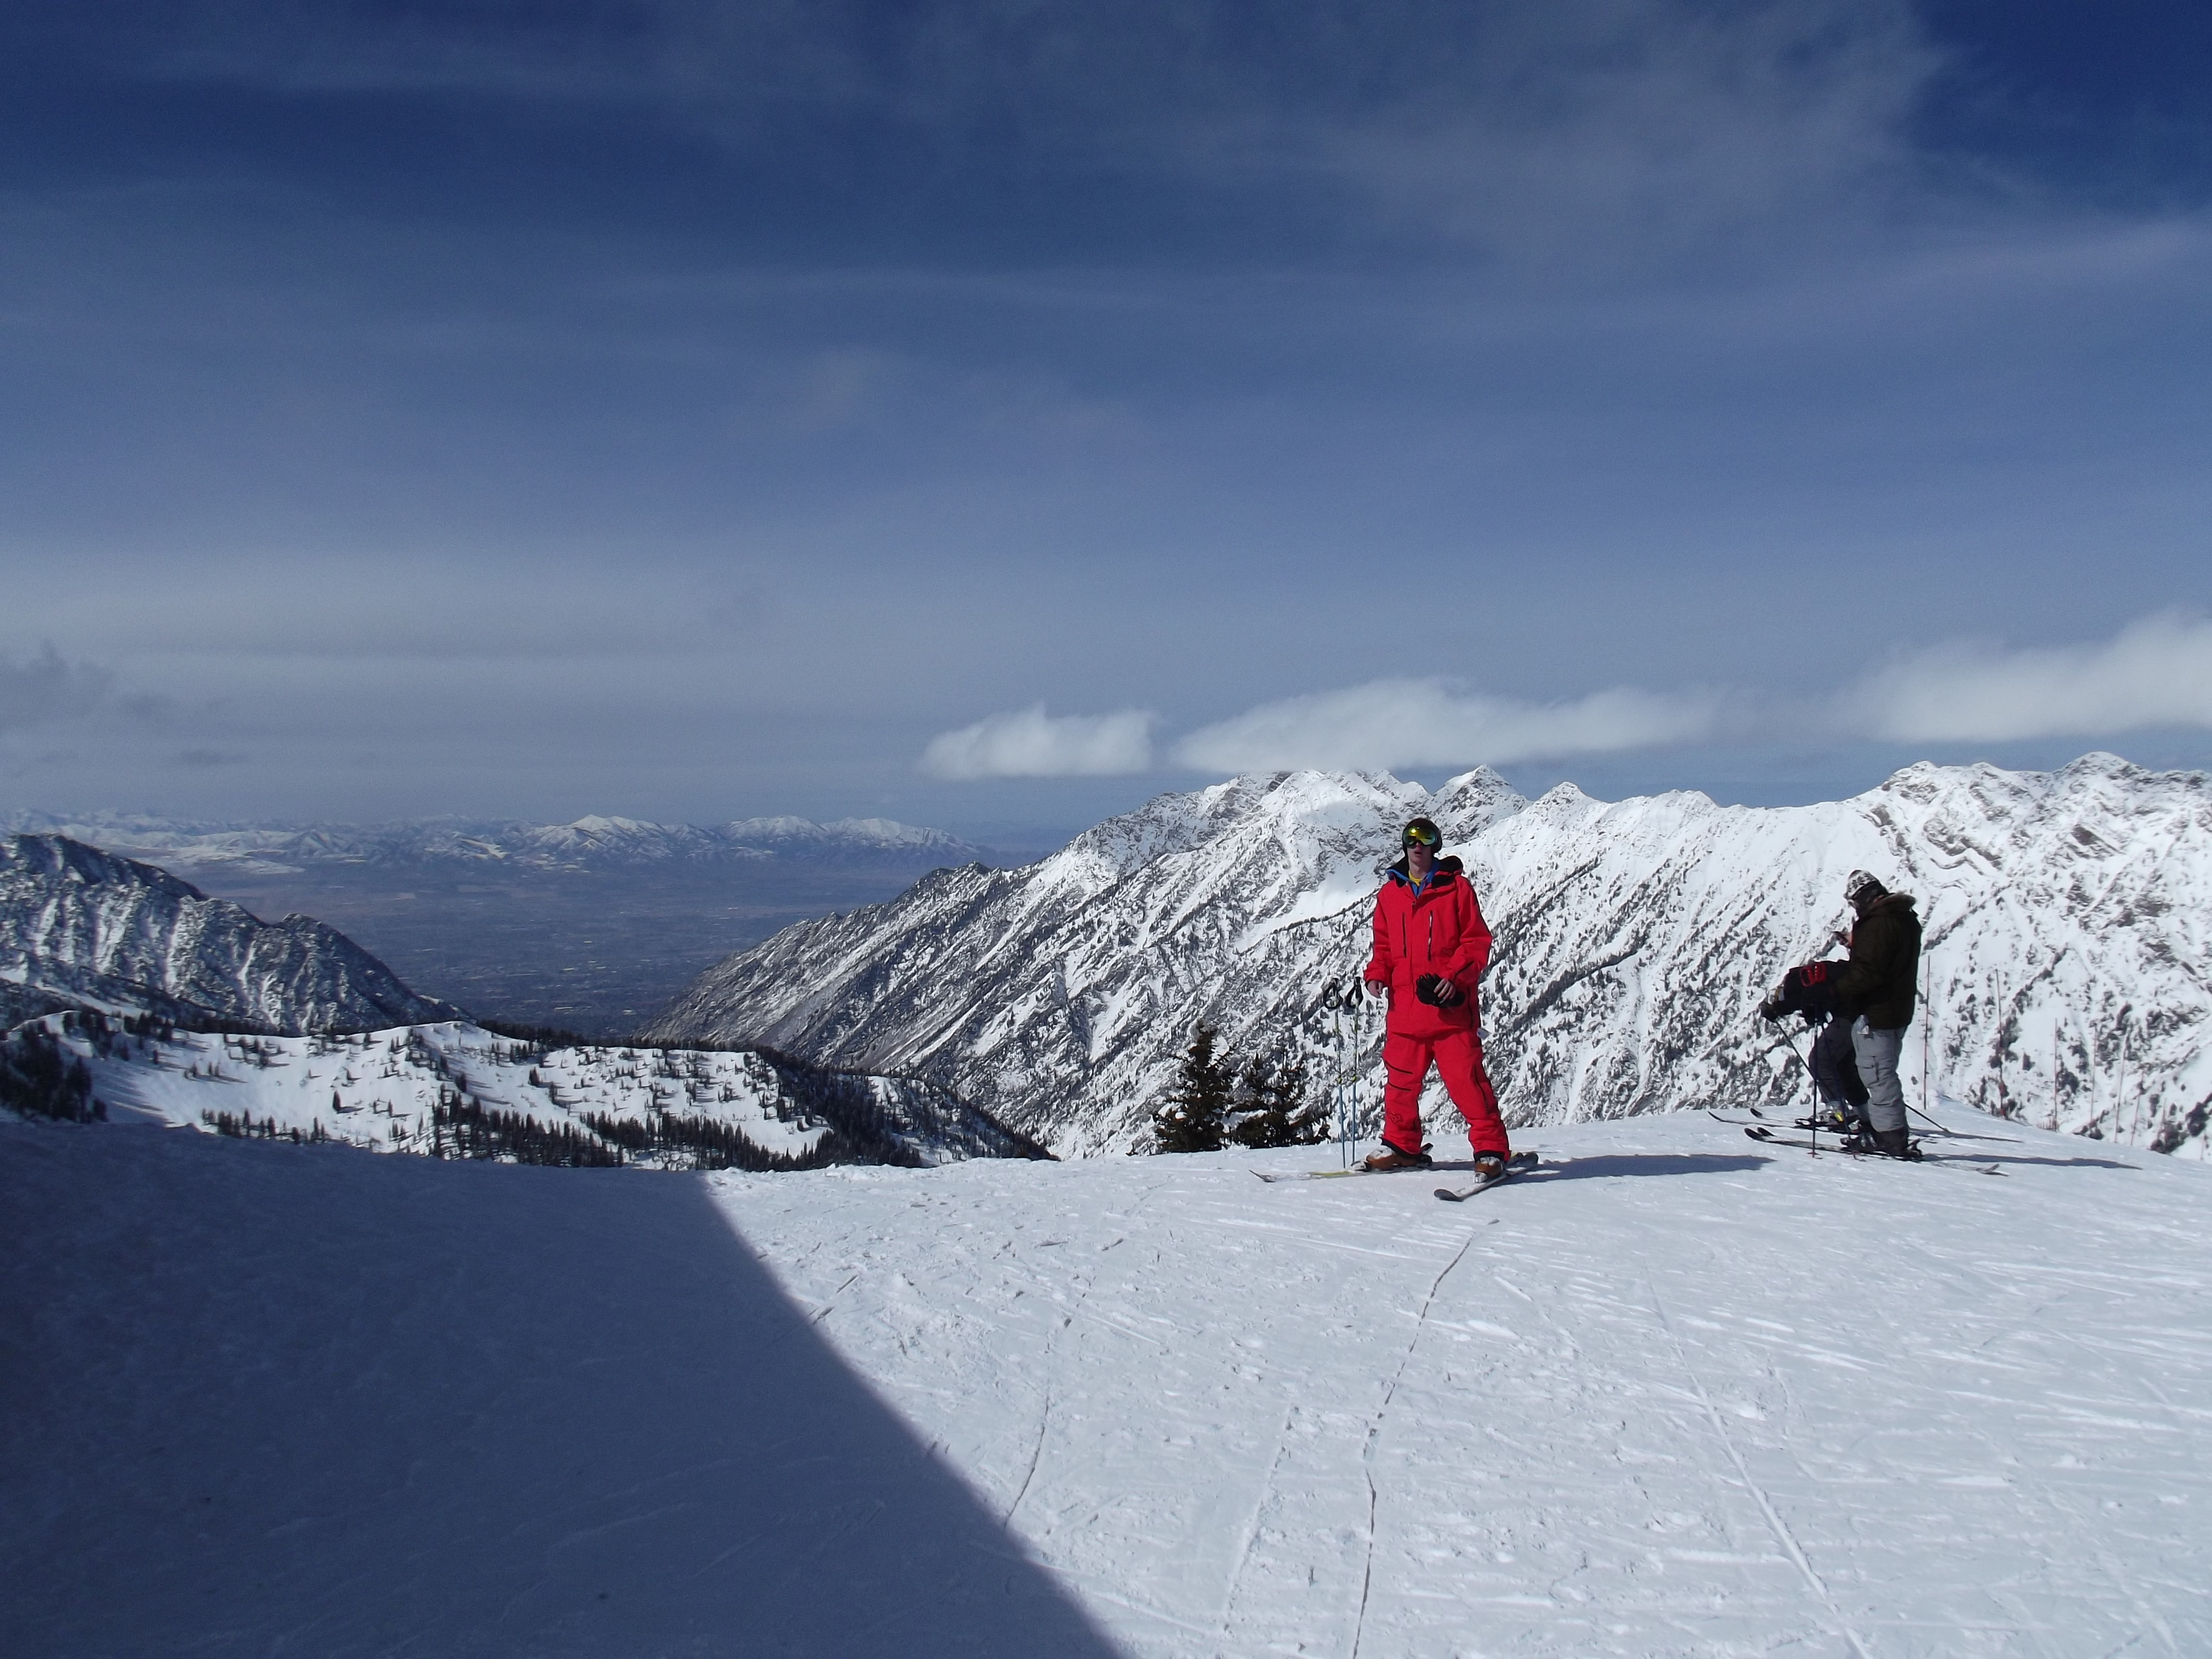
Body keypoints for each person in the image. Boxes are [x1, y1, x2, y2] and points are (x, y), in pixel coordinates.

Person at [1360, 817, 1511, 1176]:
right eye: (1411, 838)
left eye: (1425, 838)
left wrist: (1454, 978)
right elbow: (1384, 947)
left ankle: (1491, 1149)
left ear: (1435, 845)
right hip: (1404, 1013)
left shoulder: (1457, 889)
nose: (1418, 845)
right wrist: (1377, 975)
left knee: (1467, 1083)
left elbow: (1476, 942)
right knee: (1400, 1084)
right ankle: (1401, 1146)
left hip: (1449, 1013)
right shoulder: (1390, 895)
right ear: (1404, 844)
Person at [1767, 869, 1923, 1158]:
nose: (1854, 908)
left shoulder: (1879, 924)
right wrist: (1857, 945)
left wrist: (1832, 992)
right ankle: (1881, 1129)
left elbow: (1868, 973)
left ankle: (1890, 1137)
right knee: (1872, 1071)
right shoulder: (1904, 919)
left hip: (1877, 1011)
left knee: (1877, 1074)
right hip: (1896, 1008)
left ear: (1863, 897)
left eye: (1854, 902)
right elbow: (1884, 961)